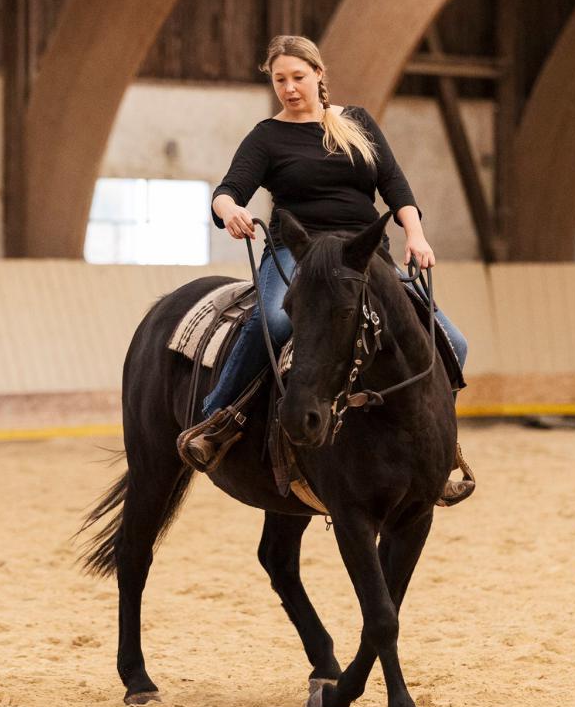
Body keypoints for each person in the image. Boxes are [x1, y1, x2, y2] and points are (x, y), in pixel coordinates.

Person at [177, 35, 474, 507]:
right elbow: (228, 189)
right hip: (298, 250)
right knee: (274, 320)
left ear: (318, 74)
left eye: (298, 77)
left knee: (452, 340)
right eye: (280, 80)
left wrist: (415, 235)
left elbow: (395, 185)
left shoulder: (355, 123)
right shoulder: (267, 136)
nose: (290, 88)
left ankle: (437, 449)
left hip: (361, 252)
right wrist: (229, 208)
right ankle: (219, 420)